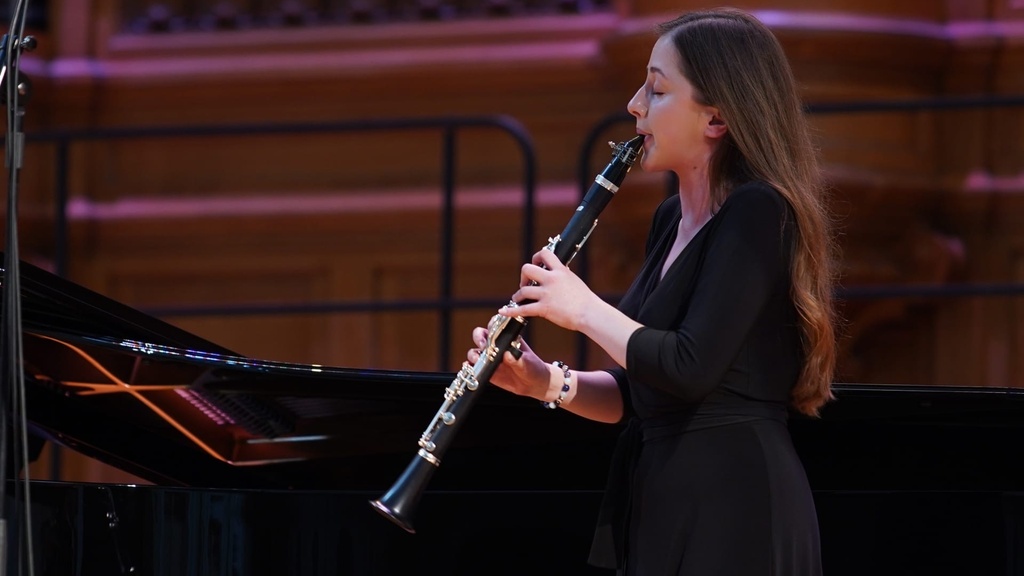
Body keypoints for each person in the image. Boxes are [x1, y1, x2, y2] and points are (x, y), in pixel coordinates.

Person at [466, 7, 836, 576]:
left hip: (736, 505)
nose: (635, 105)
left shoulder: (759, 212)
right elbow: (645, 387)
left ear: (716, 118)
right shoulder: (669, 220)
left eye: (657, 91)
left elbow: (689, 367)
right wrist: (547, 382)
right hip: (664, 495)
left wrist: (583, 309)